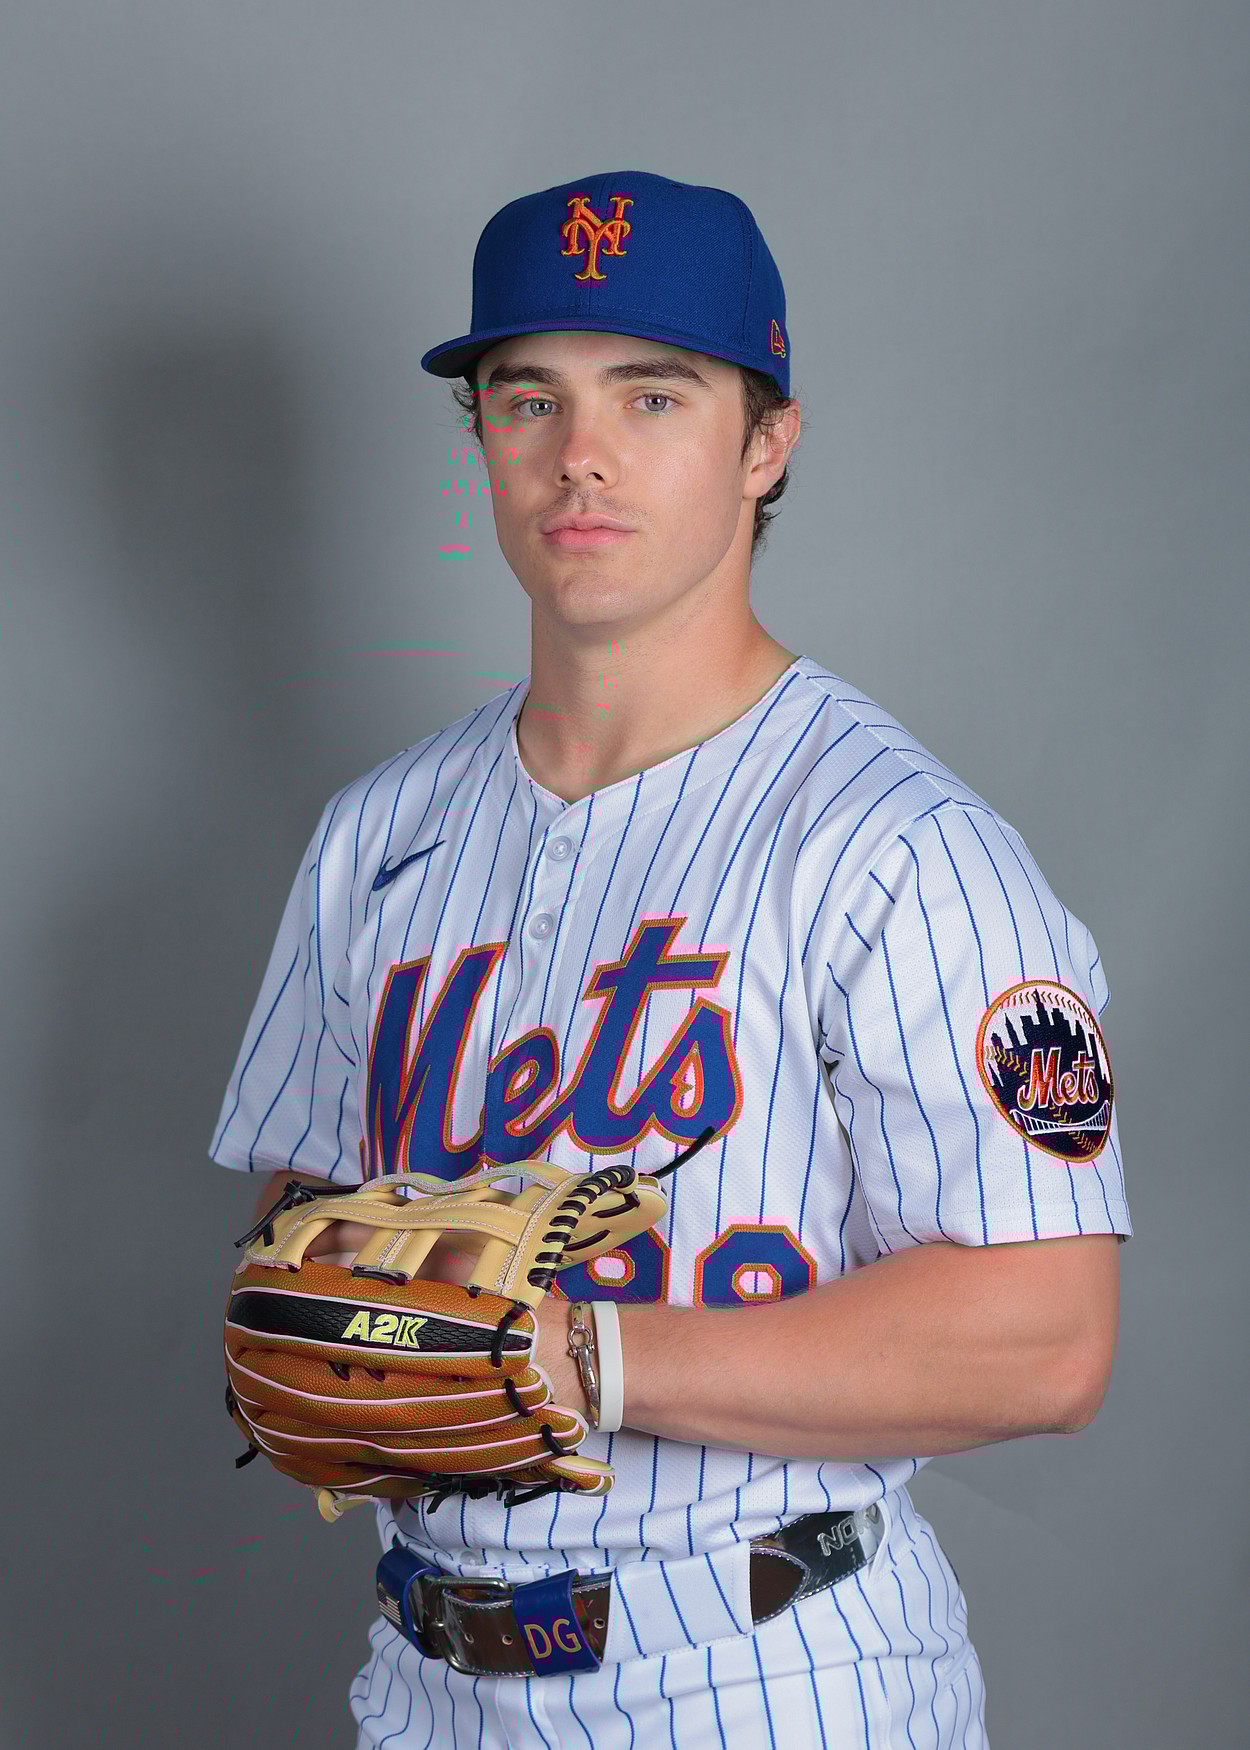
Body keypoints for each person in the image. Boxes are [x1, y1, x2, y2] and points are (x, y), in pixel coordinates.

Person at [210, 170, 1131, 1748]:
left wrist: (586, 1352)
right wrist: (313, 1309)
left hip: (764, 1668)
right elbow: (293, 1236)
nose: (581, 455)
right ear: (483, 443)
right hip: (427, 1674)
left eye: (652, 393)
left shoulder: (899, 848)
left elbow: (1046, 1331)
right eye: (527, 398)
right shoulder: (375, 837)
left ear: (764, 442)